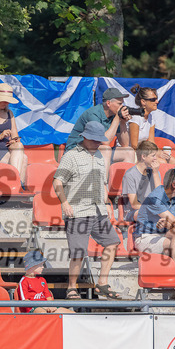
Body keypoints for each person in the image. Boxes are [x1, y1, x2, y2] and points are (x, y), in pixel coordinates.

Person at [54, 122, 121, 300]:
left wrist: (108, 204)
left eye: (99, 140)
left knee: (113, 242)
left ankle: (102, 283)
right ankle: (71, 287)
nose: (98, 143)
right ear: (85, 137)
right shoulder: (71, 156)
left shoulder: (99, 155)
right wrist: (64, 203)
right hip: (78, 211)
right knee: (78, 253)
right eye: (94, 140)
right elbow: (57, 181)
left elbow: (102, 183)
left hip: (98, 210)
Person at [134, 168, 175, 275]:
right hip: (145, 237)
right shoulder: (155, 198)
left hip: (162, 235)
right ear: (174, 185)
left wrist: (169, 224)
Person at [64, 87, 134, 164]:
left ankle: (126, 173)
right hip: (76, 152)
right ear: (108, 103)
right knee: (106, 150)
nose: (123, 107)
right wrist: (117, 118)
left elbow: (125, 143)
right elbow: (105, 142)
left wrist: (123, 122)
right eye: (119, 104)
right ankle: (104, 172)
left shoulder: (114, 116)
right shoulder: (93, 114)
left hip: (95, 150)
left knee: (129, 151)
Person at [126, 85, 174, 164]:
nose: (157, 102)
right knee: (162, 162)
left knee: (172, 160)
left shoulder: (151, 117)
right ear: (143, 102)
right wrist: (153, 155)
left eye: (156, 99)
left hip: (143, 151)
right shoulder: (135, 117)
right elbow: (134, 145)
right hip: (131, 153)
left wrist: (160, 153)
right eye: (153, 99)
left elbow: (152, 142)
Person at [15, 250, 73, 314]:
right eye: (40, 265)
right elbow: (25, 301)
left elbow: (48, 297)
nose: (43, 267)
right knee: (43, 313)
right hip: (33, 308)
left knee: (70, 313)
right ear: (32, 266)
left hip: (45, 306)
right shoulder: (23, 281)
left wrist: (51, 306)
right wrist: (44, 306)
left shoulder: (42, 280)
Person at [120, 140, 160, 221]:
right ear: (143, 156)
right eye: (153, 155)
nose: (156, 158)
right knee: (144, 213)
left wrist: (155, 174)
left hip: (152, 209)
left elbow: (160, 196)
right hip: (133, 212)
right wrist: (153, 209)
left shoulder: (155, 172)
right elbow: (134, 204)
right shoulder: (130, 174)